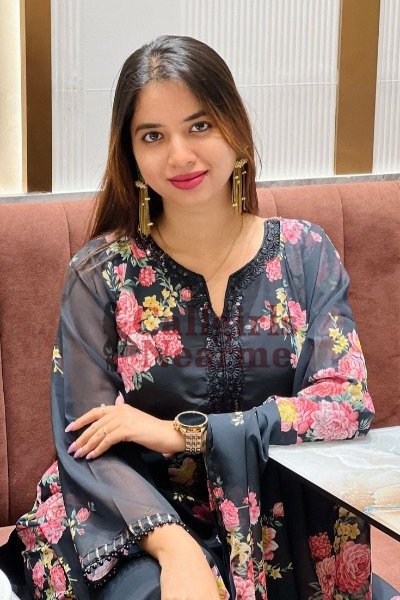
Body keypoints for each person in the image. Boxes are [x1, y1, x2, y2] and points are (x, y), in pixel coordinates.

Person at [14, 35, 381, 600]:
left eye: (200, 125)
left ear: (236, 130)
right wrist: (175, 548)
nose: (180, 155)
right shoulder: (101, 273)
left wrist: (183, 435)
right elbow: (88, 439)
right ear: (131, 155)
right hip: (135, 520)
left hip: (278, 516)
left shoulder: (306, 254)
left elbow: (346, 405)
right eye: (153, 136)